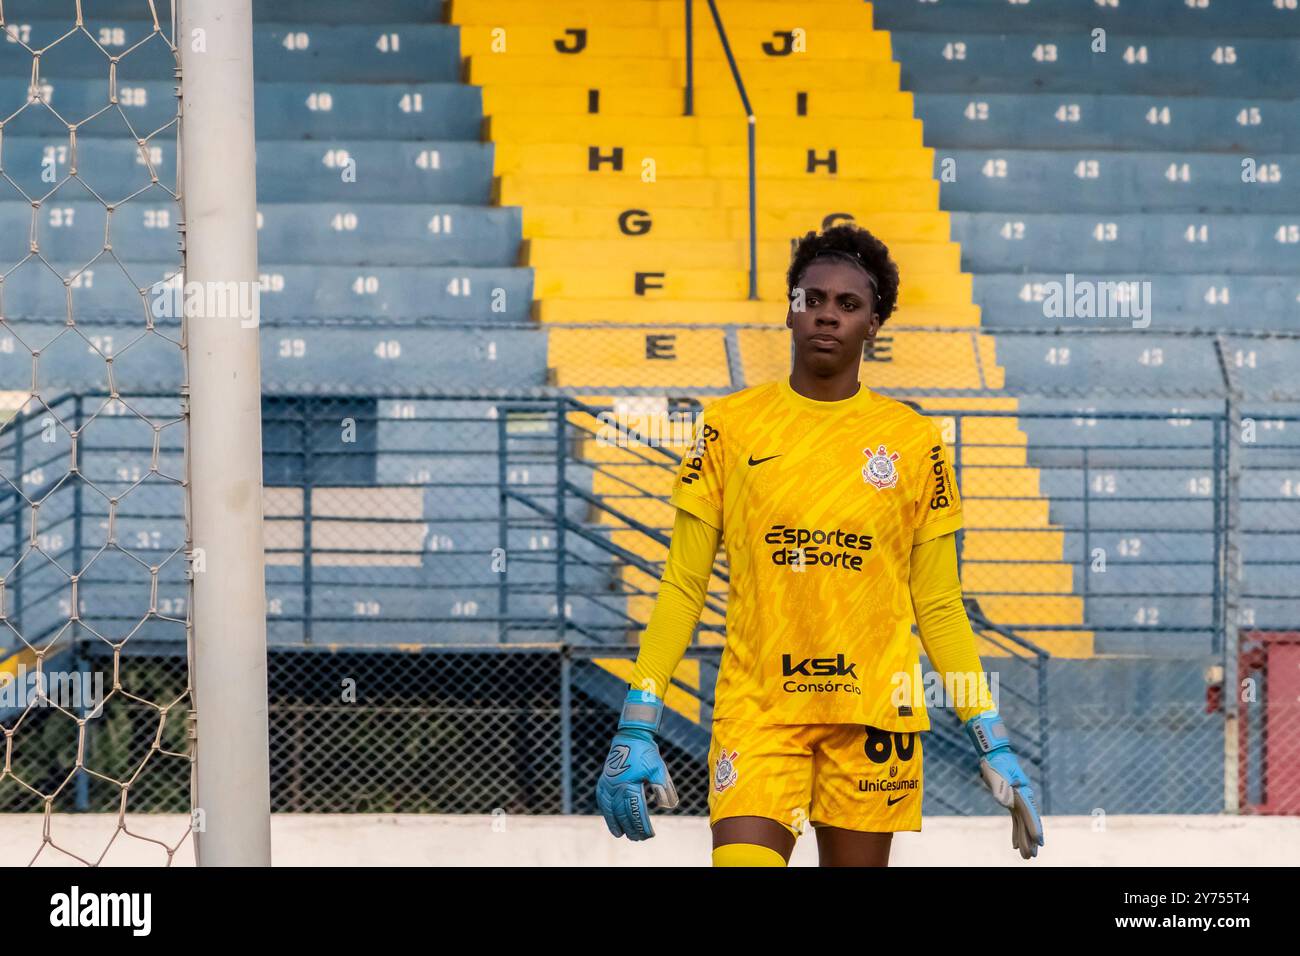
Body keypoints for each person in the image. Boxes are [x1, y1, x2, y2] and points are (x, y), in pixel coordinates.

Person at [595, 223, 1044, 866]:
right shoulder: (729, 425)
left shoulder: (914, 441)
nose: (827, 314)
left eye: (849, 304)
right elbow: (682, 585)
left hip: (873, 717)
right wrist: (639, 718)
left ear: (873, 325)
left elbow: (939, 602)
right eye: (813, 299)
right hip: (759, 709)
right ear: (790, 311)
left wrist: (989, 733)